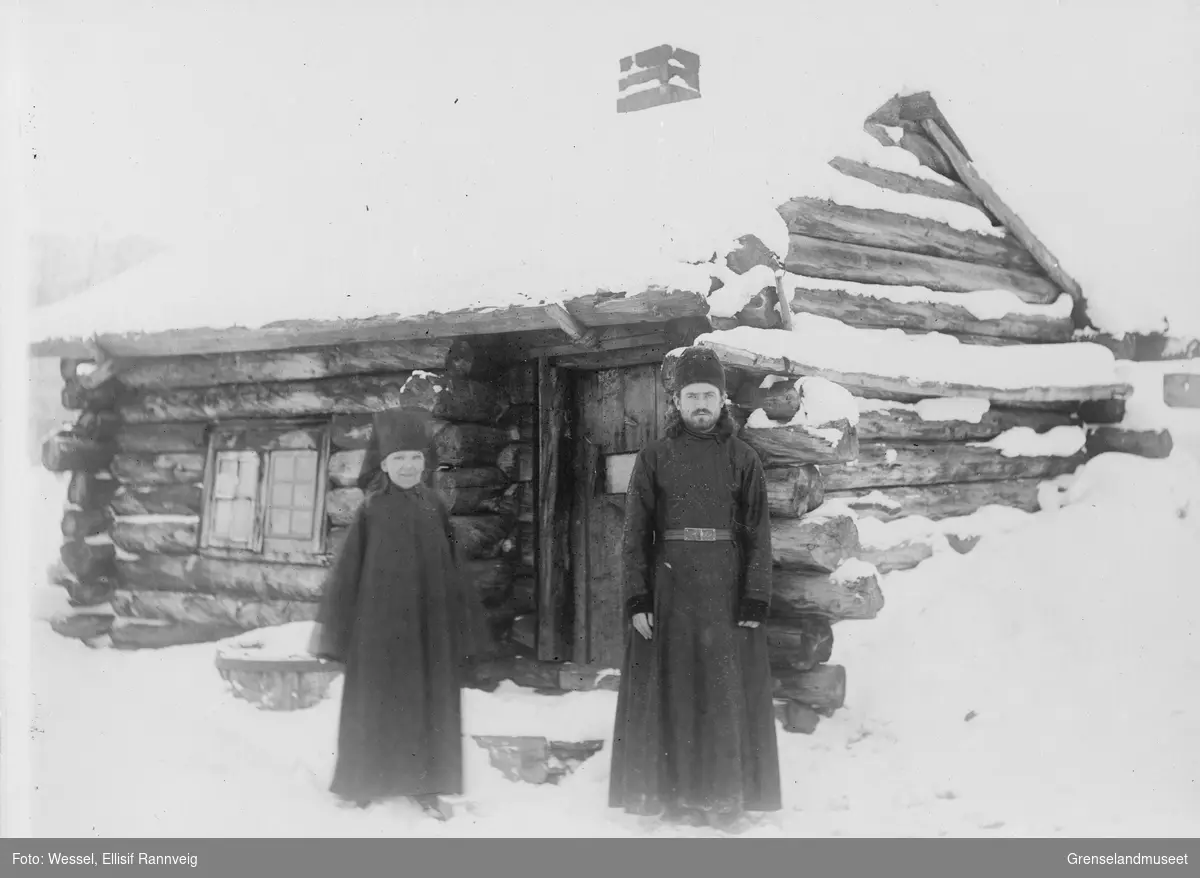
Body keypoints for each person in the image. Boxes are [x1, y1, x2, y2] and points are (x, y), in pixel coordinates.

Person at [608, 346, 781, 832]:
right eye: (691, 396)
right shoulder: (654, 456)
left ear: (722, 400)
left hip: (725, 593)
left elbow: (758, 532)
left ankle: (724, 797)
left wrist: (755, 595)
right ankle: (670, 793)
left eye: (708, 395)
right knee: (673, 692)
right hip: (671, 589)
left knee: (721, 694)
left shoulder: (743, 459)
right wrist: (637, 598)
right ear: (677, 402)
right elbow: (635, 533)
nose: (700, 404)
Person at [308, 408, 491, 820]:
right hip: (378, 631)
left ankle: (425, 783)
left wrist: (460, 626)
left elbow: (454, 572)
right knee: (375, 703)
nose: (408, 466)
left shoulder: (435, 508)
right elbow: (348, 578)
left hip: (428, 630)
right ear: (384, 464)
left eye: (414, 457)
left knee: (427, 703)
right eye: (398, 459)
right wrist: (342, 632)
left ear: (425, 461)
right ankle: (364, 780)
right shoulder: (370, 511)